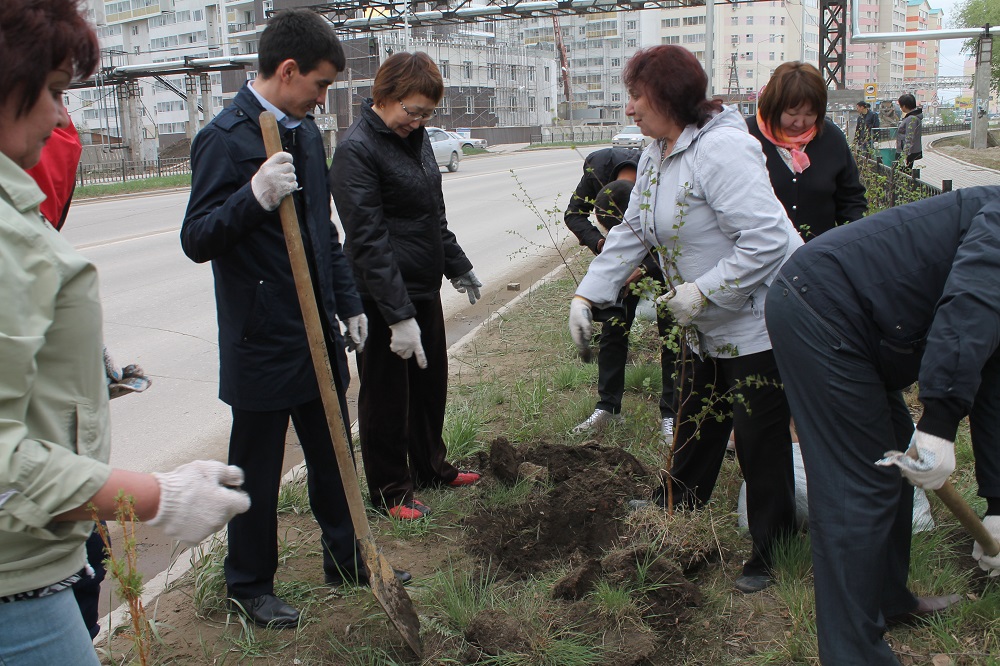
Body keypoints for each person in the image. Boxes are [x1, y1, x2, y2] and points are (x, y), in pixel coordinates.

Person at [0, 2, 250, 662]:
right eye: (54, 91)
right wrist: (157, 499)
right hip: (15, 596)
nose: (60, 118)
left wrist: (77, 376)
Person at [181, 9, 393, 630]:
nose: (324, 100)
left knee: (332, 449)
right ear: (289, 70)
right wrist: (252, 197)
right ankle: (249, 584)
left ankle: (347, 557)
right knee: (258, 465)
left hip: (314, 326)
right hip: (261, 336)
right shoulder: (226, 138)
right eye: (321, 85)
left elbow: (320, 232)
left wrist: (349, 301)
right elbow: (198, 238)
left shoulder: (301, 132)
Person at [568, 45, 802, 594]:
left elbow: (769, 239)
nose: (629, 109)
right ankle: (677, 502)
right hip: (705, 320)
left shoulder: (723, 151)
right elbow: (632, 230)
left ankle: (773, 550)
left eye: (636, 96)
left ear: (668, 98)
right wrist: (588, 296)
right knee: (698, 416)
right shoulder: (658, 149)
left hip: (757, 317)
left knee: (758, 436)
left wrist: (702, 292)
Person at [765, 185, 1000, 665]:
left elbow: (993, 376)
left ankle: (889, 601)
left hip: (864, 323)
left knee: (888, 468)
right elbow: (970, 307)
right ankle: (853, 656)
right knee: (860, 486)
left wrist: (998, 503)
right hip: (821, 308)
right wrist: (939, 421)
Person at [330, 52, 482, 521]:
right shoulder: (356, 150)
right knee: (387, 396)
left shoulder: (415, 141)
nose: (417, 122)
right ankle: (391, 490)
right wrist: (397, 316)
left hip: (421, 285)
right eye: (411, 111)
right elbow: (368, 240)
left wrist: (457, 264)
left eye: (427, 114)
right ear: (385, 96)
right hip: (380, 297)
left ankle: (432, 467)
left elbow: (431, 214)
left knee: (429, 384)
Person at [563, 147, 677, 438]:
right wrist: (605, 247)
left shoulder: (660, 173)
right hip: (615, 252)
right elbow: (573, 215)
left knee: (672, 330)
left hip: (663, 255)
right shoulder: (596, 168)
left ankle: (672, 413)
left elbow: (675, 232)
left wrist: (645, 267)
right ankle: (608, 408)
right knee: (614, 325)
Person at [747, 62, 867, 241]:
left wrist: (850, 240)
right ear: (773, 106)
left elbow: (851, 200)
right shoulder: (746, 137)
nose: (800, 123)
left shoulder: (831, 138)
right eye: (792, 114)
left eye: (810, 114)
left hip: (819, 257)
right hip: (759, 259)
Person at [896, 93, 923, 170]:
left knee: (904, 173)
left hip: (907, 152)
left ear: (904, 106)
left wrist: (905, 154)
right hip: (908, 150)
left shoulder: (911, 118)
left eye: (900, 105)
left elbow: (909, 137)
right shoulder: (913, 117)